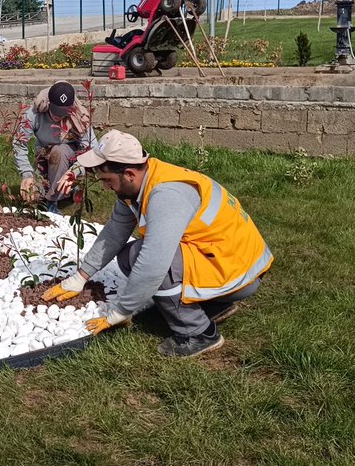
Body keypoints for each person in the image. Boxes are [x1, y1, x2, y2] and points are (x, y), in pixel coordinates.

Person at [43, 130, 273, 358]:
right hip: (226, 260)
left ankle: (198, 334)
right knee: (128, 257)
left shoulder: (166, 195)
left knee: (142, 259)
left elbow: (153, 264)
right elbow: (115, 231)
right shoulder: (139, 184)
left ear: (129, 174)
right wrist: (81, 276)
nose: (104, 187)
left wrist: (121, 311)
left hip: (238, 272)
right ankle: (212, 305)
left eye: (107, 180)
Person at [12, 81, 94, 213]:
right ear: (48, 104)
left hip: (70, 157)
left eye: (63, 113)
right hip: (44, 154)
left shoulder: (79, 116)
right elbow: (19, 144)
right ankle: (70, 188)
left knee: (59, 151)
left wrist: (75, 171)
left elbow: (91, 151)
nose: (58, 116)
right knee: (33, 196)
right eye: (55, 111)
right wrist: (27, 174)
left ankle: (52, 201)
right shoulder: (33, 114)